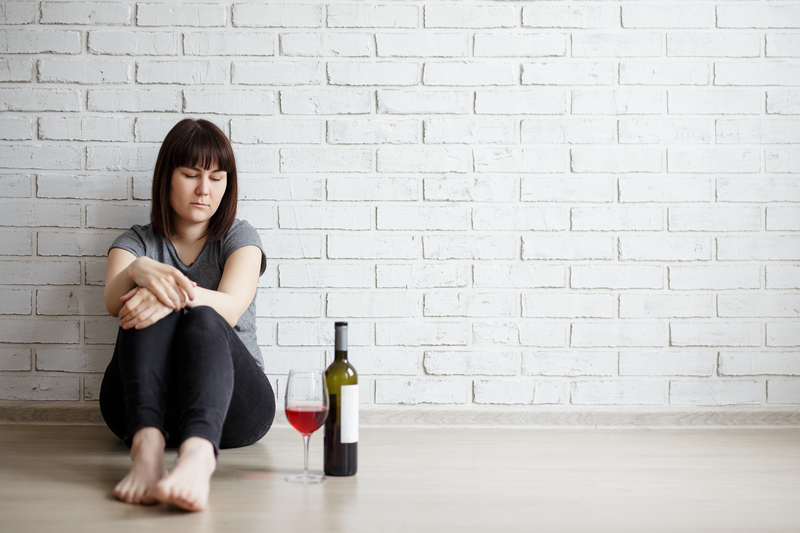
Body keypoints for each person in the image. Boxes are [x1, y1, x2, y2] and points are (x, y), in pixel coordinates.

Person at [99, 118, 275, 512]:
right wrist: (137, 272)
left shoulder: (240, 238)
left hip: (235, 408)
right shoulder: (136, 243)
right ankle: (146, 451)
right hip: (143, 408)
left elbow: (229, 306)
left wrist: (168, 294)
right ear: (167, 178)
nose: (204, 189)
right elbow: (112, 301)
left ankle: (198, 458)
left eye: (216, 177)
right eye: (191, 174)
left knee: (204, 315)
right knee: (138, 300)